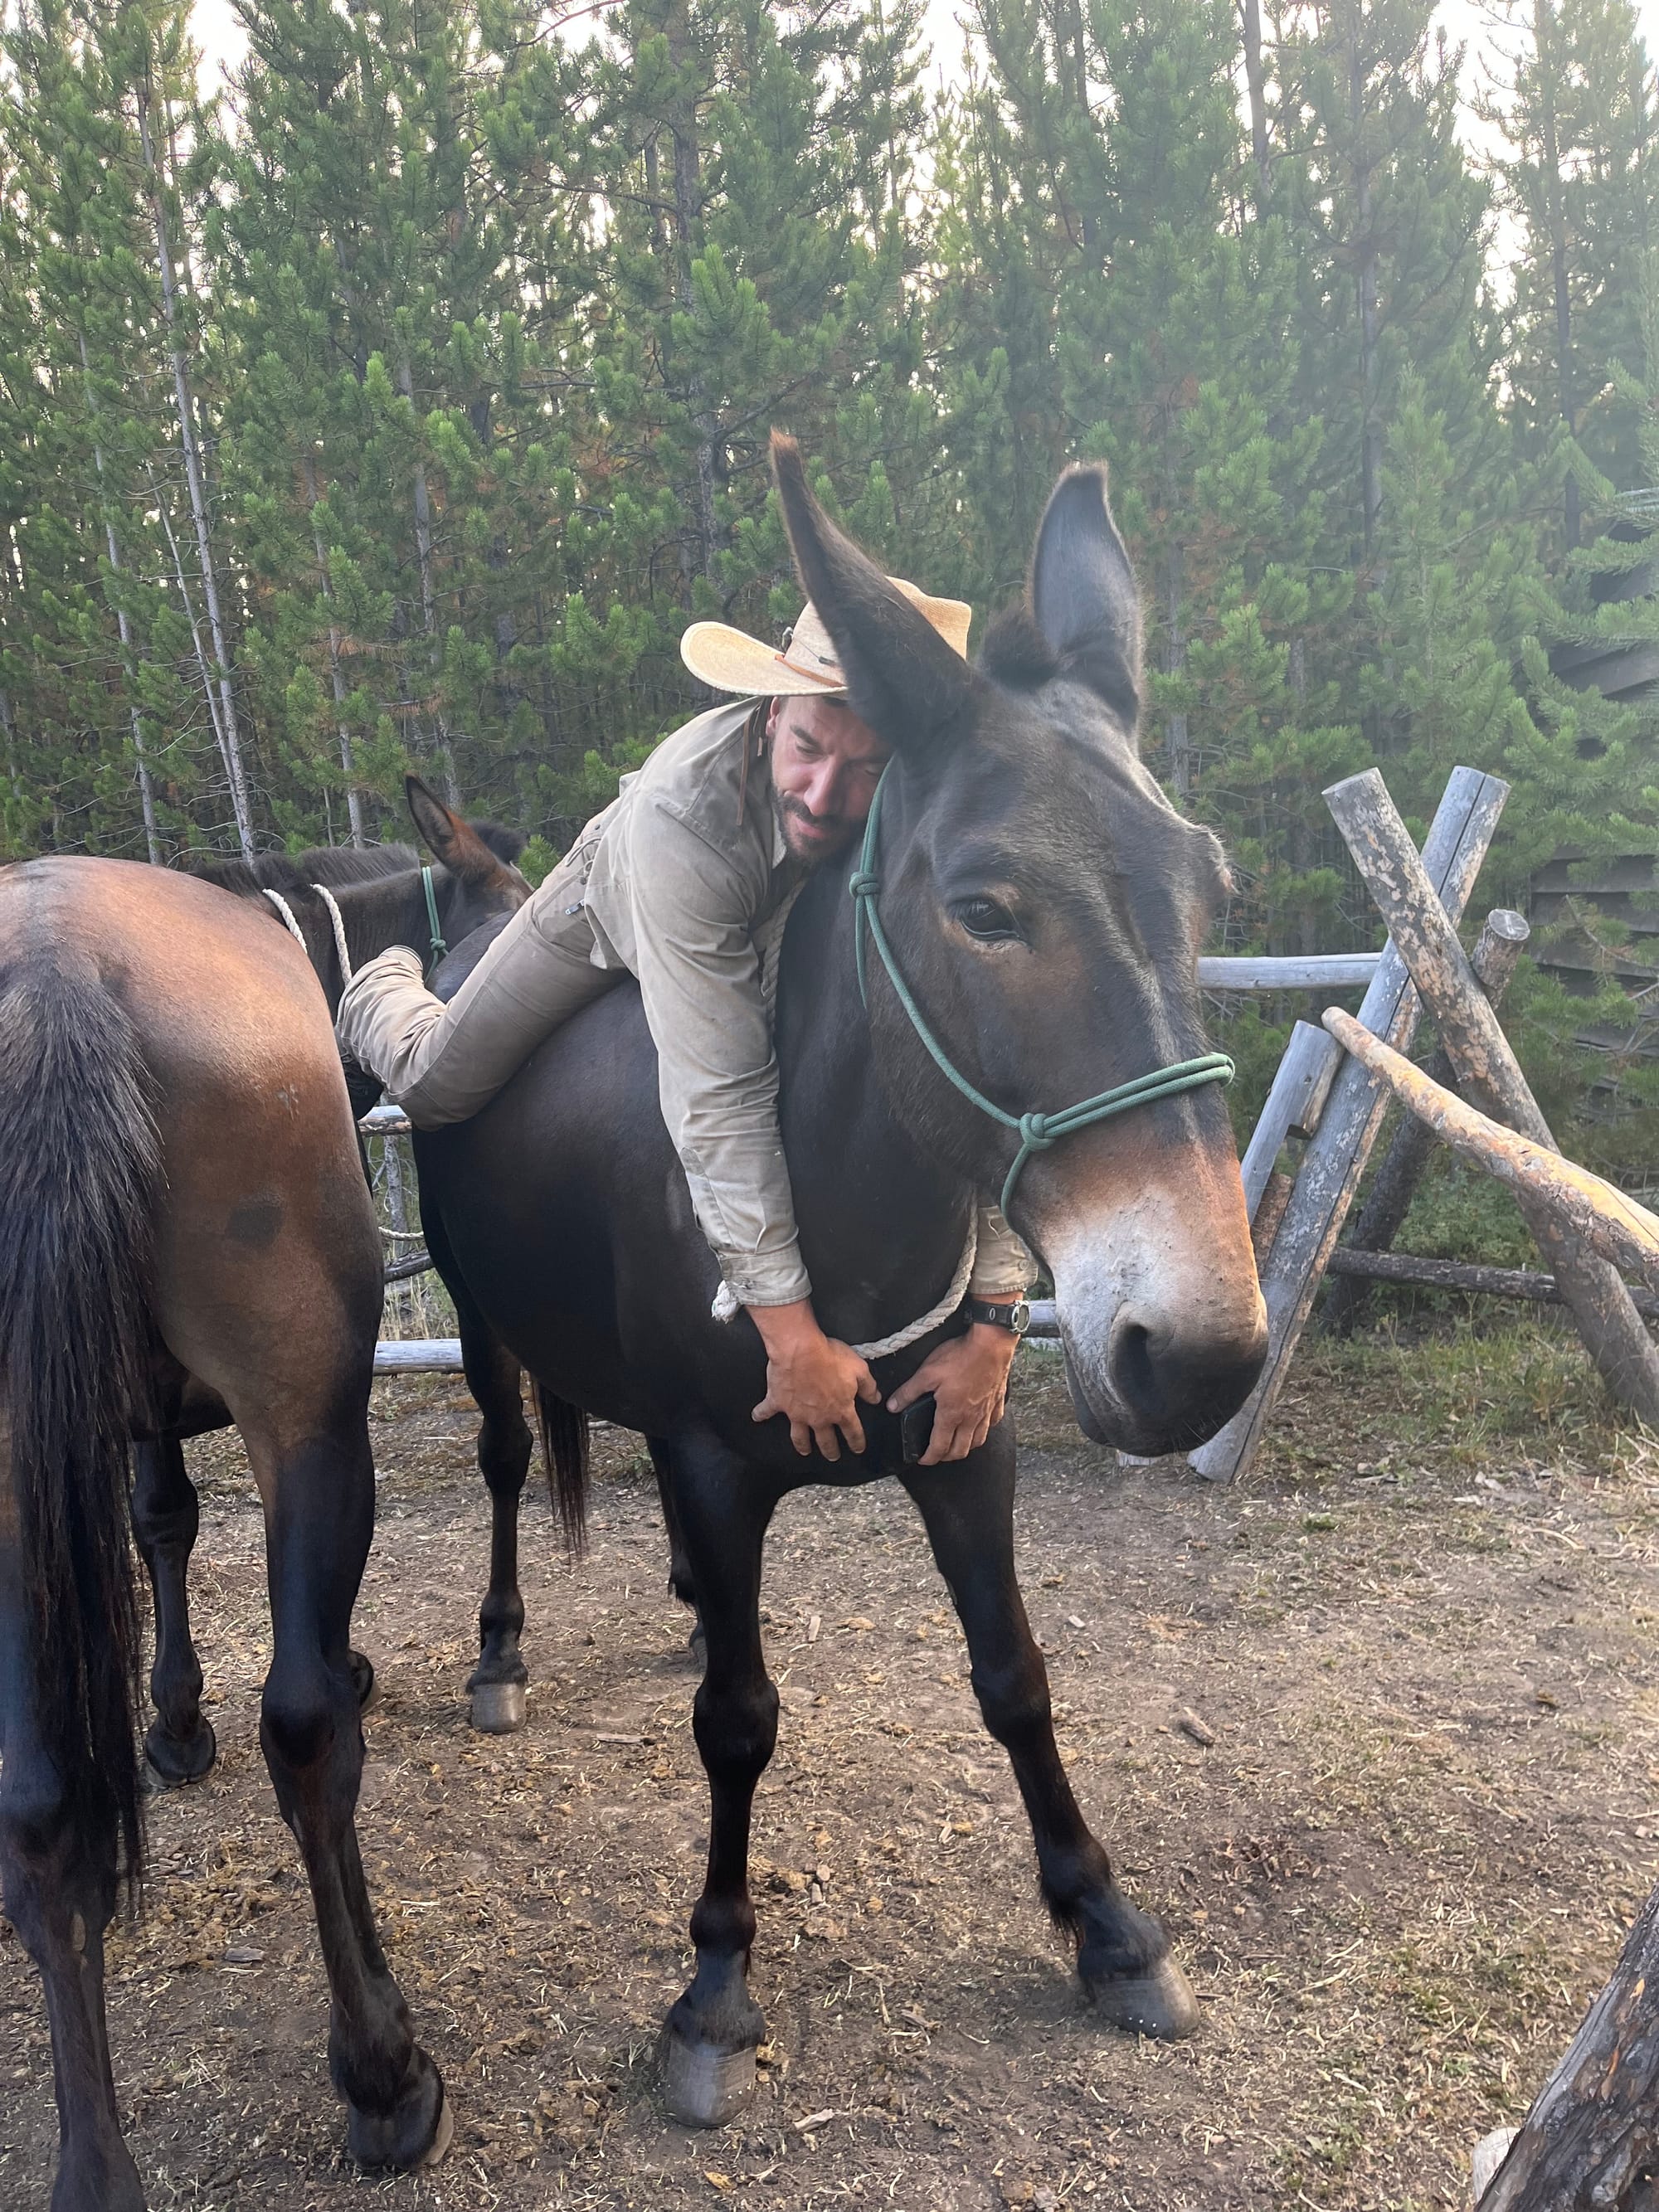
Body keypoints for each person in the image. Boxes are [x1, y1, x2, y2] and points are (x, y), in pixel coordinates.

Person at [336, 581, 1034, 1466]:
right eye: (809, 747)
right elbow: (719, 1092)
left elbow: (982, 1054)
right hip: (622, 900)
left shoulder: (934, 827)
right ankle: (382, 980)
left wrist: (998, 1312)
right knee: (437, 1085)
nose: (822, 795)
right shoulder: (684, 823)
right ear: (773, 708)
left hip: (775, 920)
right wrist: (790, 1340)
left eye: (865, 769)